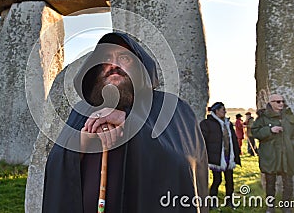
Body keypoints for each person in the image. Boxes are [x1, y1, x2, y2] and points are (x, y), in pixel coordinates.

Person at [42, 32, 208, 212]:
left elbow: (183, 166)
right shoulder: (82, 111)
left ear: (140, 67)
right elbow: (56, 164)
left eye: (124, 57)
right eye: (106, 58)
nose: (114, 64)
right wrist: (83, 140)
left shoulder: (171, 108)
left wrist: (129, 124)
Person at [252, 94, 294, 213]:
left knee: (288, 183)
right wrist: (270, 130)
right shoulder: (263, 117)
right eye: (278, 101)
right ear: (271, 103)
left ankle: (286, 206)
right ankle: (270, 207)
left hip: (287, 155)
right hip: (270, 156)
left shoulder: (288, 117)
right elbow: (255, 132)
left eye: (282, 101)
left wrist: (292, 146)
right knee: (270, 183)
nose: (281, 104)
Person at [199, 102, 241, 209]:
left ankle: (229, 202)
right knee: (217, 180)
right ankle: (212, 203)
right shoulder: (206, 124)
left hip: (228, 156)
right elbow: (202, 140)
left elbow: (233, 140)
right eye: (223, 109)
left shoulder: (228, 123)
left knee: (230, 181)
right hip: (216, 157)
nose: (225, 111)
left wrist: (236, 153)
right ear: (216, 111)